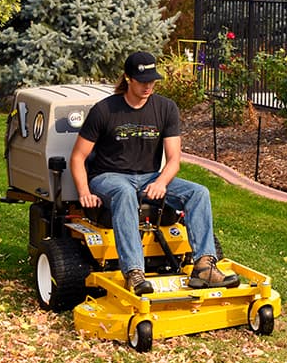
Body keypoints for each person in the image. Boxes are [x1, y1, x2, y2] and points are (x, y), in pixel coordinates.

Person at [70, 51, 234, 295]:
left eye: (152, 80)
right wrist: (83, 190)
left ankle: (203, 267)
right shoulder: (104, 110)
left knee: (198, 192)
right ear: (128, 79)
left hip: (148, 176)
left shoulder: (166, 108)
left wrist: (161, 181)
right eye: (142, 80)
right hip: (108, 176)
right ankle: (134, 273)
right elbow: (78, 157)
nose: (148, 86)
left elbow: (174, 159)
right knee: (124, 192)